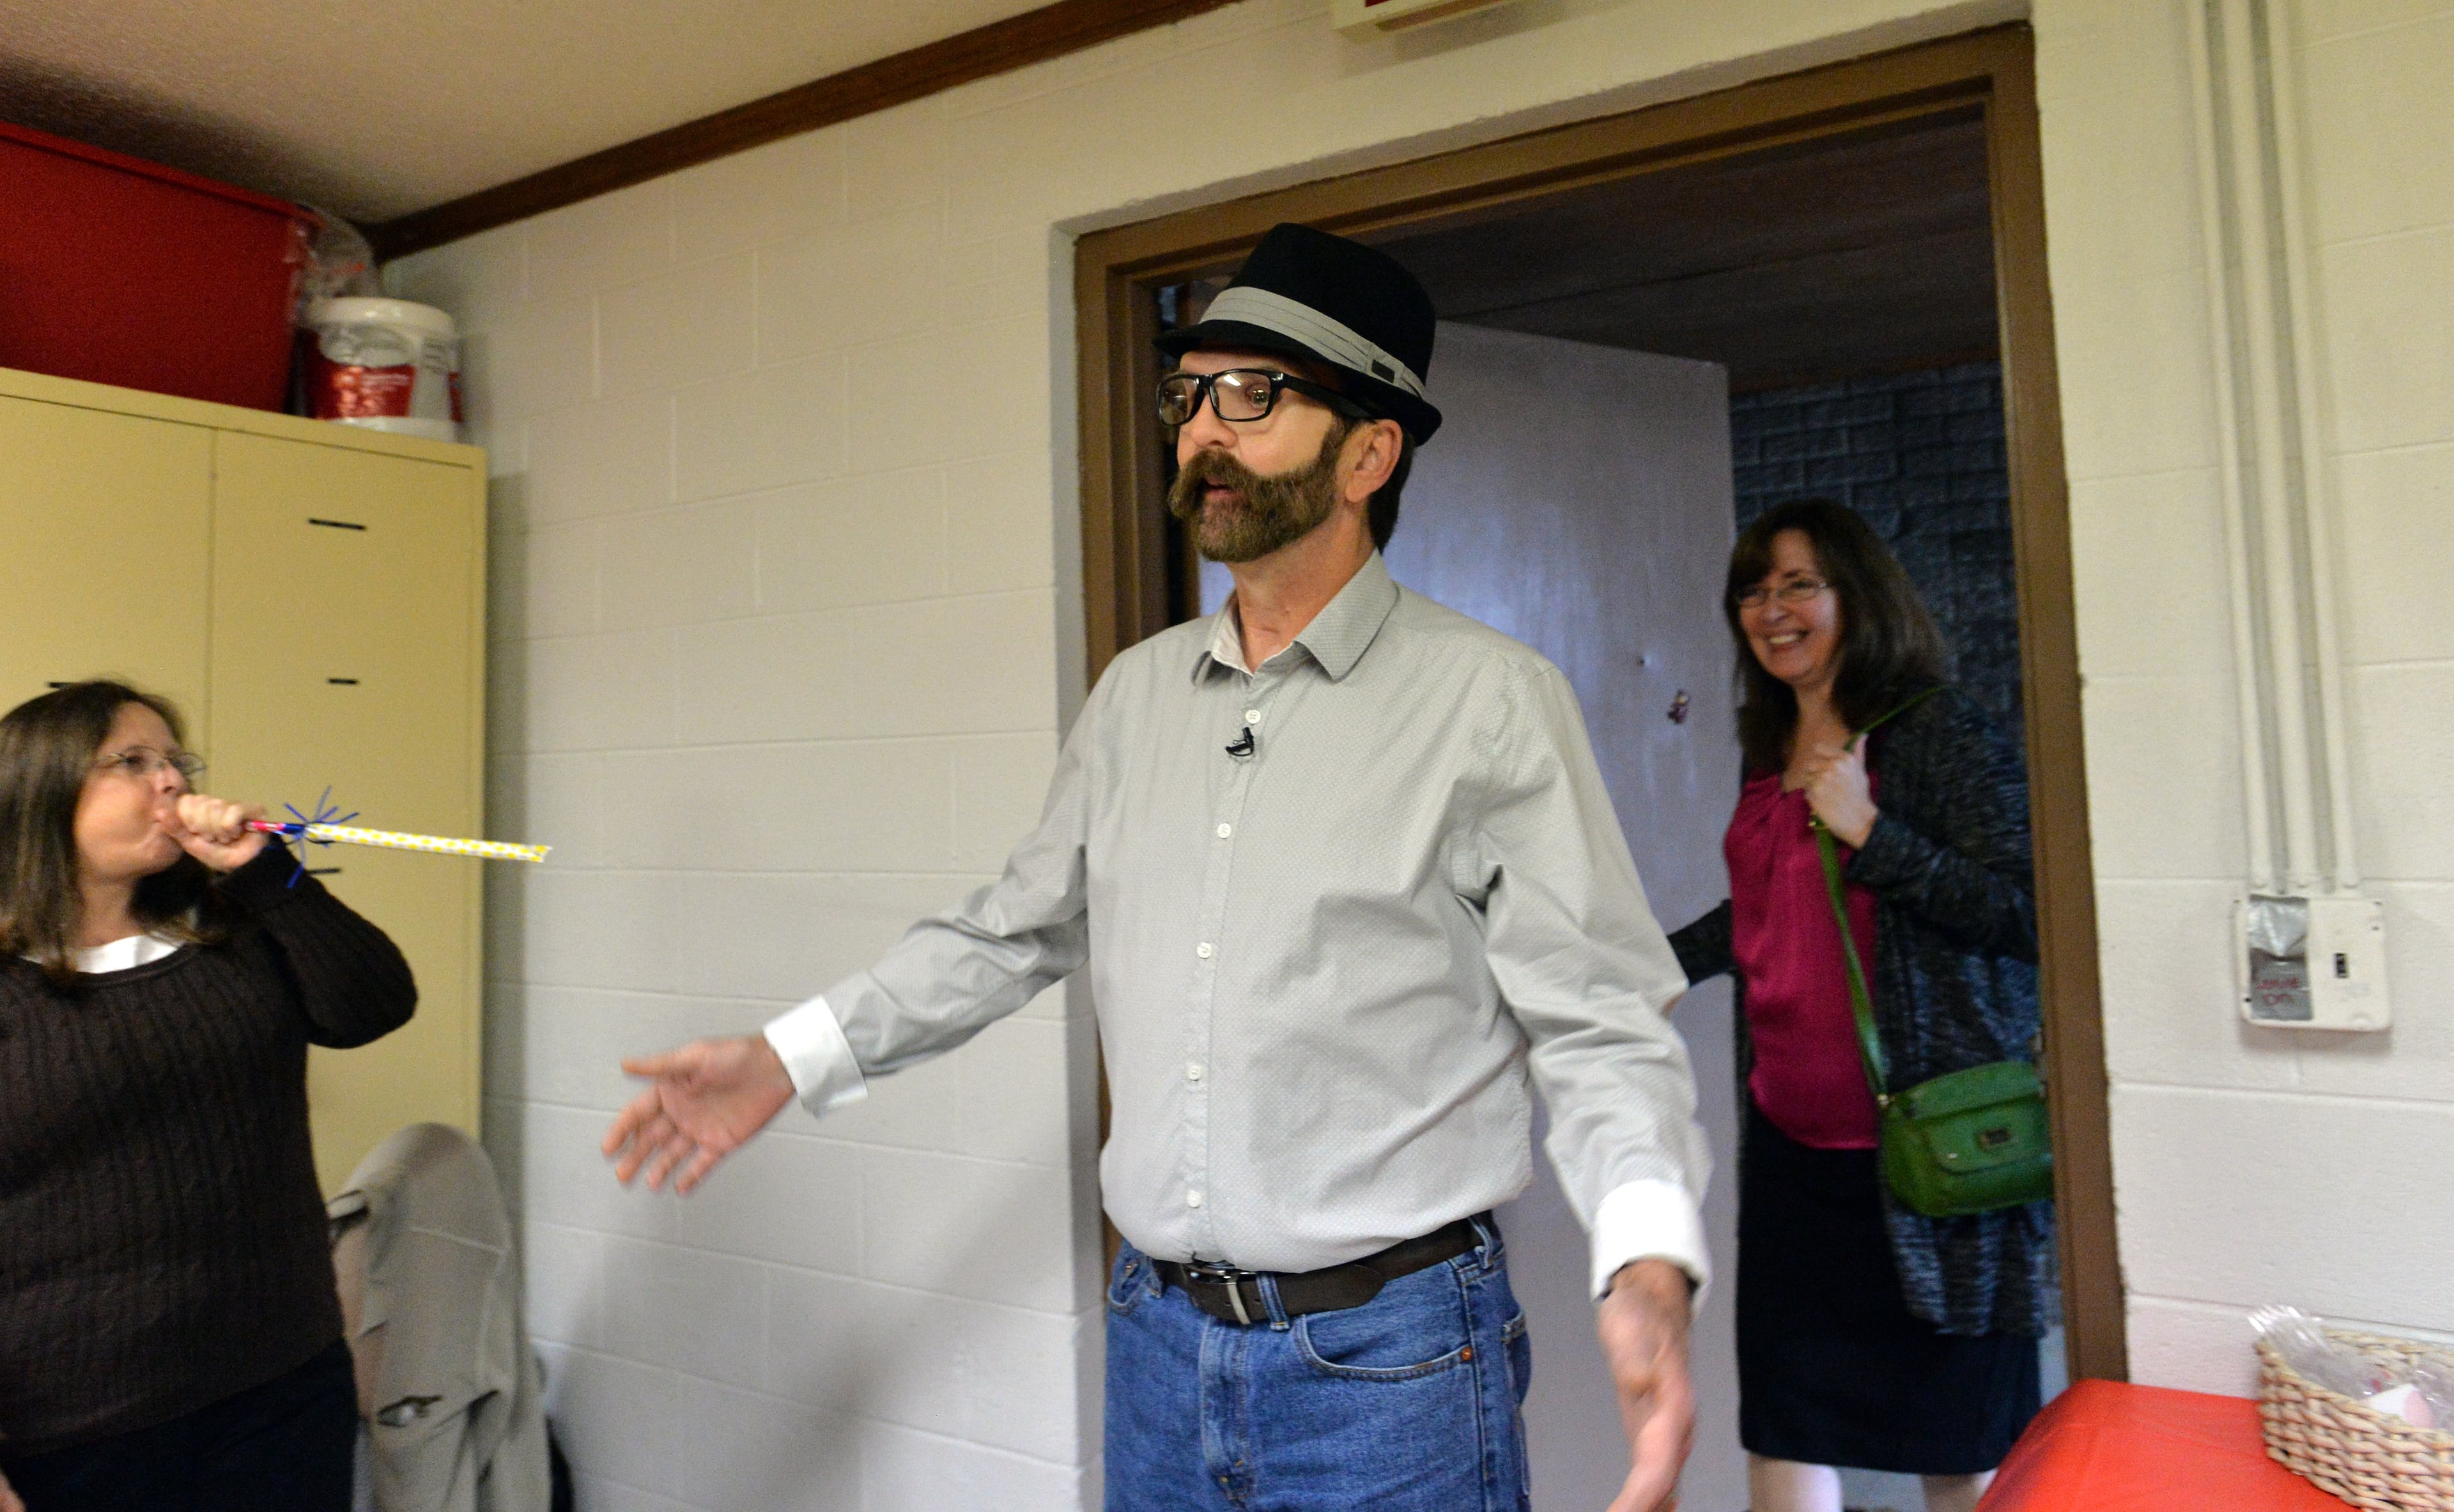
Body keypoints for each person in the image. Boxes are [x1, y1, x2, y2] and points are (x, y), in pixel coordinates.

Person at [603, 222, 1710, 1512]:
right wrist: (790, 1056)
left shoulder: (1491, 703)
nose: (1202, 433)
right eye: (1190, 396)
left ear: (1370, 452)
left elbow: (1601, 1020)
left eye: (1253, 395)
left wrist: (1645, 1256)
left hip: (1388, 1369)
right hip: (1158, 1346)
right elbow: (1011, 931)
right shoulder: (1136, 698)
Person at [1665, 500, 2055, 1512]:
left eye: (1800, 585)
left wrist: (1875, 834)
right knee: (1787, 1425)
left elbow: (2031, 913)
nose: (1772, 610)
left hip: (1932, 1158)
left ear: (1858, 595)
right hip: (1794, 1157)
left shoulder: (1939, 731)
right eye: (1754, 591)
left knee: (1960, 1444)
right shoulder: (1769, 746)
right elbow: (1768, 906)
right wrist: (1656, 967)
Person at [0, 680, 418, 1512]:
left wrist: (266, 872)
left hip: (283, 1383)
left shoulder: (231, 931)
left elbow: (374, 1004)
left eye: (176, 761)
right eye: (132, 761)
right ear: (43, 788)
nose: (171, 779)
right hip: (74, 1431)